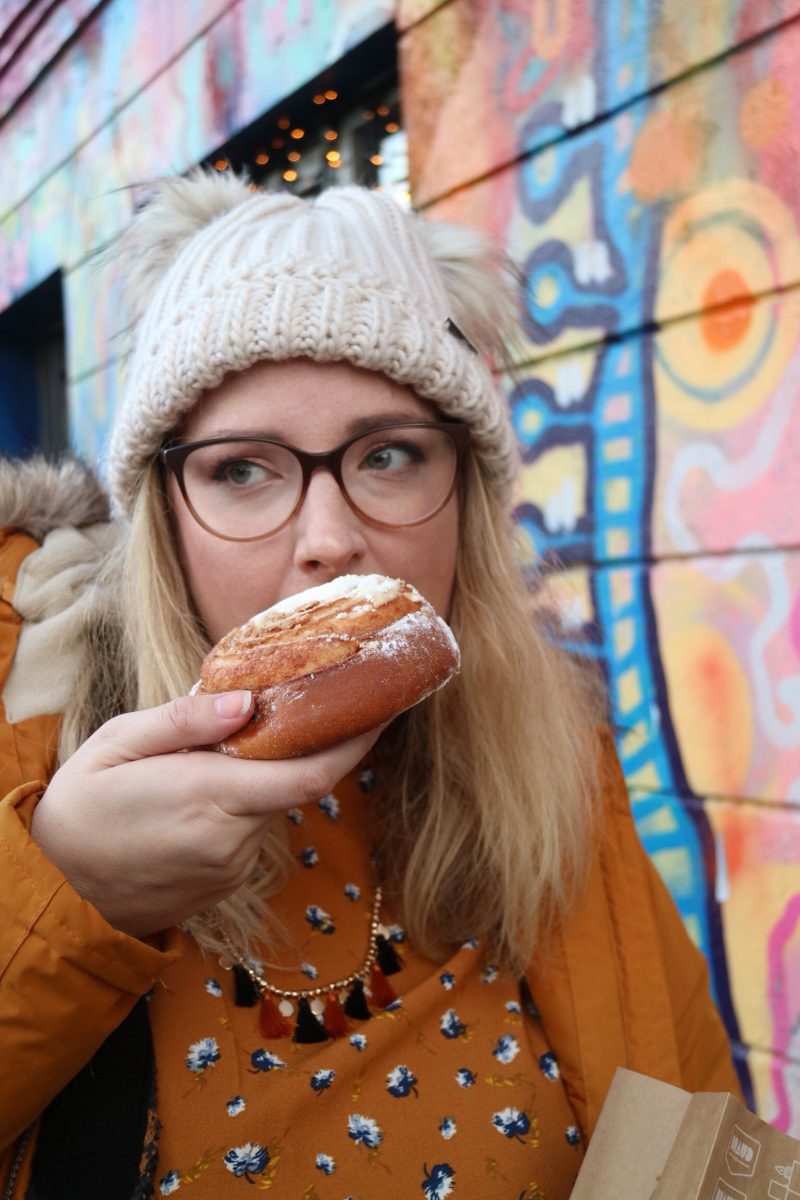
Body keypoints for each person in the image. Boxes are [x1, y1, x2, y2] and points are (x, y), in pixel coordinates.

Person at [0, 171, 740, 1199]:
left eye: (386, 456)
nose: (330, 539)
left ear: (464, 501)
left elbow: (694, 1124)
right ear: (162, 518)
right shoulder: (27, 749)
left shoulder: (557, 776)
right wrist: (67, 902)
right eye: (242, 471)